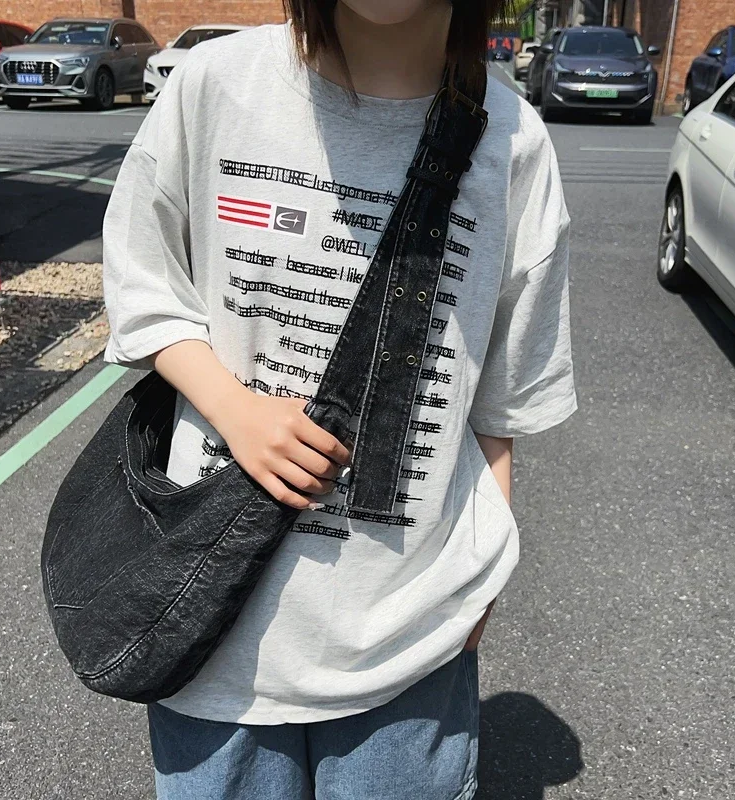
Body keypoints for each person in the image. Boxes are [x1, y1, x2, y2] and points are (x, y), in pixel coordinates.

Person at [101, 1, 576, 797]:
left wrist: (480, 589)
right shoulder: (216, 85)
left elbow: (501, 405)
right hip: (212, 614)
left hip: (409, 636)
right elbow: (143, 288)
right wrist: (235, 410)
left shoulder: (514, 139)